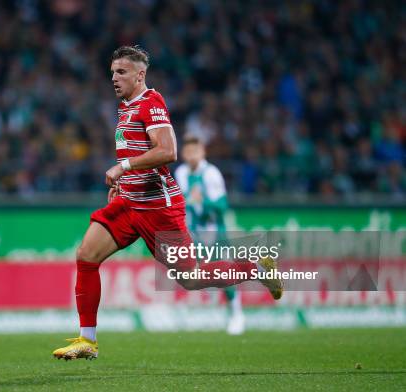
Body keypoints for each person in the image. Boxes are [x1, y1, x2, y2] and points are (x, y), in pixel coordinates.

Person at [52, 46, 282, 360]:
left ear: (139, 74)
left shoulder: (152, 102)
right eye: (112, 73)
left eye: (121, 72)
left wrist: (124, 168)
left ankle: (255, 268)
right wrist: (123, 183)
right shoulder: (126, 107)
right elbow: (135, 151)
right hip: (129, 203)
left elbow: (168, 151)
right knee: (86, 256)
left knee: (192, 278)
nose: (114, 79)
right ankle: (87, 341)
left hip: (158, 209)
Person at [175, 136, 245, 335]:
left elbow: (223, 206)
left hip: (214, 231)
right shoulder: (180, 173)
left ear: (202, 152)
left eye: (194, 151)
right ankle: (210, 307)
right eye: (187, 152)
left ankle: (236, 313)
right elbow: (182, 201)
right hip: (193, 231)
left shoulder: (211, 173)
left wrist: (202, 201)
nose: (191, 155)